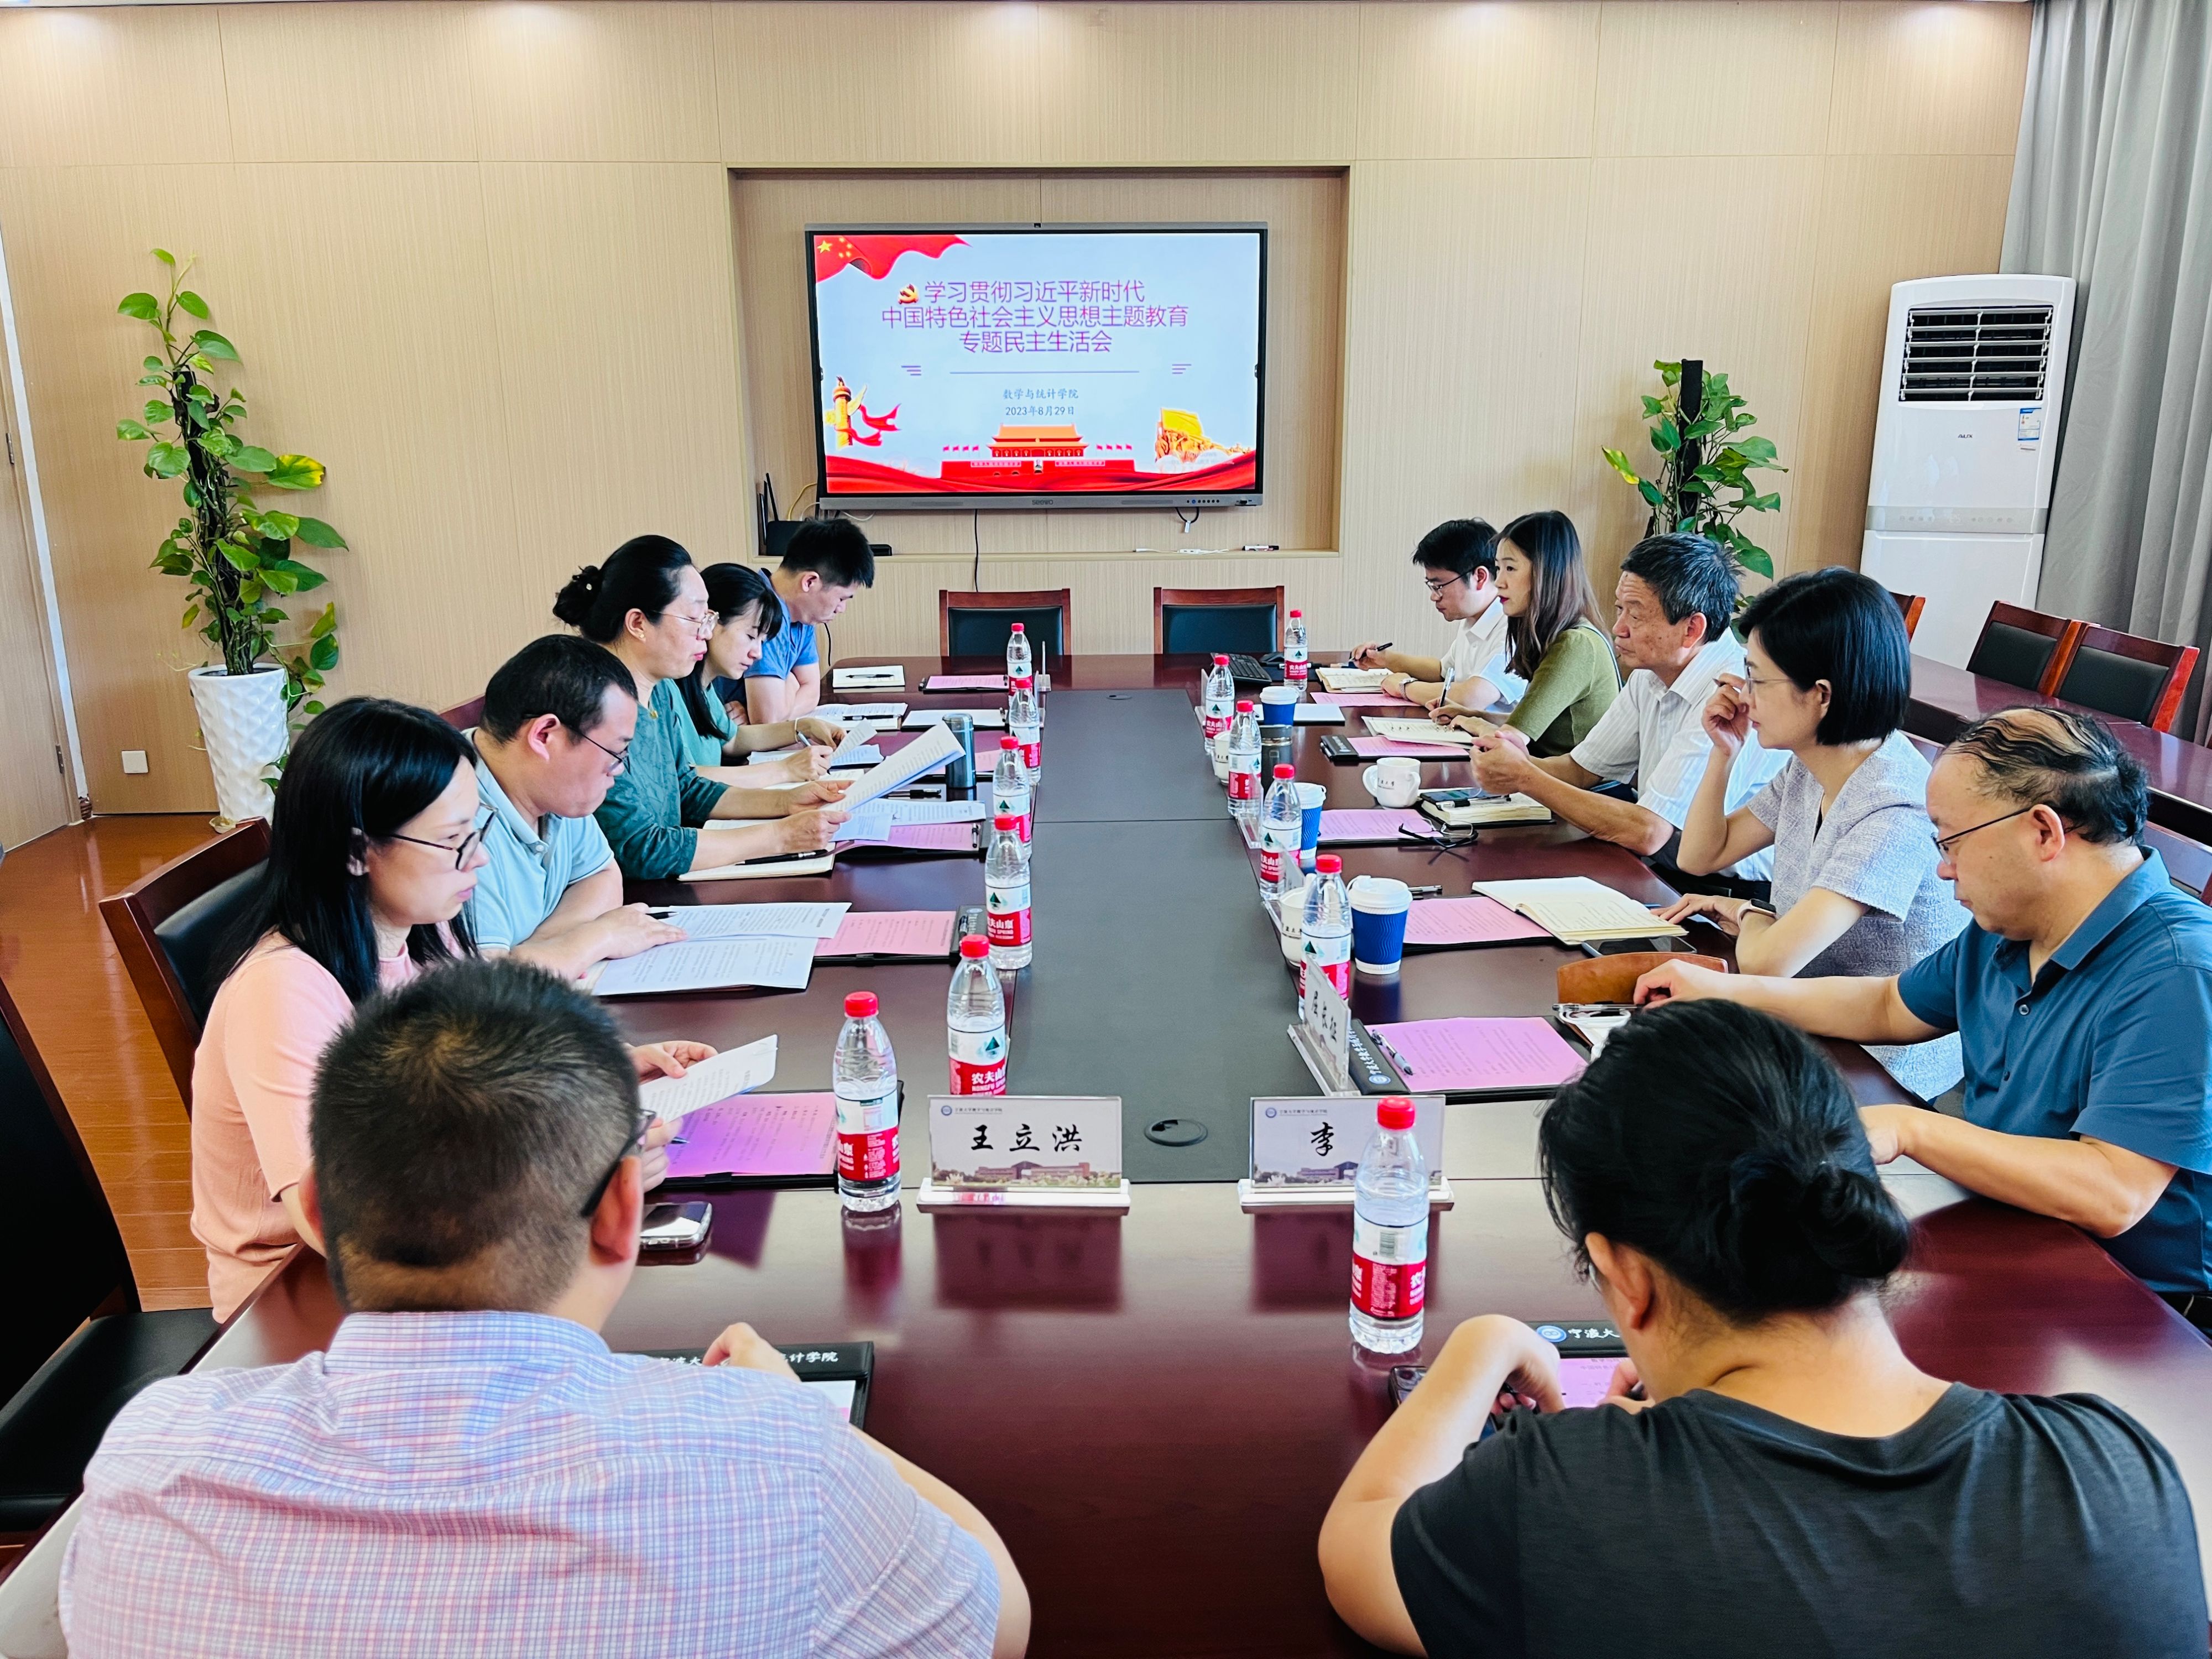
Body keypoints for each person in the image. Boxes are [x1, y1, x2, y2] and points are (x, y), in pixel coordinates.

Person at [65, 960, 1031, 1658]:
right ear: (623, 1210)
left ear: (317, 1211)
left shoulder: (148, 1463)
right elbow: (996, 1618)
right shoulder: (776, 1461)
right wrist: (808, 1418)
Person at [1317, 999, 2205, 1659]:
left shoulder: (1567, 1500)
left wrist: (1481, 1348)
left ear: (1628, 1278)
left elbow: (1357, 1550)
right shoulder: (2118, 1470)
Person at [1636, 707, 2212, 1326]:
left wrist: (1911, 1130)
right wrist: (1723, 992)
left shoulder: (2179, 969)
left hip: (2137, 1310)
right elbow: (1889, 1005)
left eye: (1951, 840)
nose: (1943, 867)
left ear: (2044, 833)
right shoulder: (2013, 922)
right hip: (2012, 1230)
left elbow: (2113, 1191)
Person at [189, 698, 703, 1320]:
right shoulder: (281, 991)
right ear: (356, 850)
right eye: (454, 841)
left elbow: (490, 1065)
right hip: (303, 1300)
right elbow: (340, 1221)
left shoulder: (425, 933)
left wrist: (599, 1078)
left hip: (442, 1260)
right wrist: (584, 1176)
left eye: (476, 832)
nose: (478, 859)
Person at [1656, 567, 1969, 1098]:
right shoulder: (1812, 762)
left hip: (1880, 1063)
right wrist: (1723, 754)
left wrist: (1750, 912)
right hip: (1808, 1021)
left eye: (1758, 679)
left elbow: (1769, 962)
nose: (1744, 696)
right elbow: (1701, 855)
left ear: (1820, 695)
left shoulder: (1894, 806)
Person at [1468, 532, 1783, 899]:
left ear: (1692, 629)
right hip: (1661, 870)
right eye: (1620, 609)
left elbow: (1649, 831)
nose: (1618, 628)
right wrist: (1510, 761)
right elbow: (1580, 770)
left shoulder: (1731, 695)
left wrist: (1525, 776)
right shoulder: (1650, 673)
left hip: (1731, 893)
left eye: (1635, 614)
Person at [554, 534, 849, 880]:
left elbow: (687, 788)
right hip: (635, 894)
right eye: (697, 619)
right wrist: (779, 836)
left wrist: (787, 803)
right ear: (638, 624)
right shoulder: (592, 707)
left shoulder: (658, 692)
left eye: (709, 619)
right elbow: (639, 849)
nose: (707, 634)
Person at [466, 634, 688, 979]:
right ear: (545, 736)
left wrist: (550, 954)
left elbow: (603, 876)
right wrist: (595, 939)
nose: (618, 771)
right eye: (616, 753)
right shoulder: (454, 819)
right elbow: (488, 987)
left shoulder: (550, 787)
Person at [1434, 510, 1616, 757]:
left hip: (1561, 778)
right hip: (1539, 769)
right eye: (1498, 568)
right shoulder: (1553, 634)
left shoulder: (1576, 644)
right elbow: (1531, 726)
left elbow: (1511, 741)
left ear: (1546, 572)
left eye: (1510, 568)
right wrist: (1474, 716)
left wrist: (1478, 724)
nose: (1499, 582)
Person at [682, 562, 850, 781]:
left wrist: (804, 726)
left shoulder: (706, 688)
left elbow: (734, 740)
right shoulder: (670, 691)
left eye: (762, 641)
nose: (758, 654)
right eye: (751, 637)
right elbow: (684, 781)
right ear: (711, 621)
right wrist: (785, 770)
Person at [1347, 519, 1527, 713]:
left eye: (1439, 586)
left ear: (1480, 577)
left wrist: (1404, 687)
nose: (1434, 596)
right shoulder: (1474, 618)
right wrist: (1385, 659)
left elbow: (1471, 698)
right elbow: (1443, 672)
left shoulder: (1512, 626)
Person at [743, 517, 877, 725]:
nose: (841, 609)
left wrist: (787, 692)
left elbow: (812, 693)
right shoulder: (761, 613)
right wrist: (792, 682)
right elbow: (767, 722)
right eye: (841, 599)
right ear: (810, 582)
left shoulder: (803, 616)